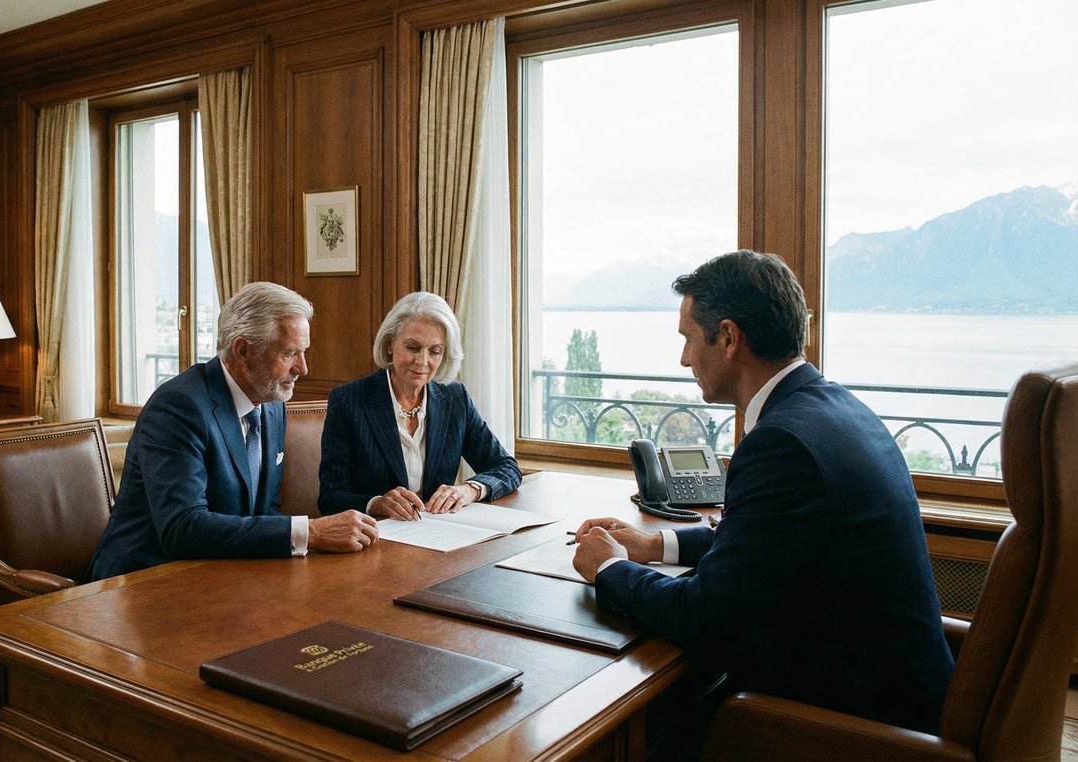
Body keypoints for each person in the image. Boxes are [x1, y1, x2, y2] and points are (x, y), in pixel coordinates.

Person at [572, 250, 952, 738]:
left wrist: (609, 568)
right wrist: (657, 545)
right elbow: (769, 540)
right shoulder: (834, 407)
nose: (684, 358)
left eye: (688, 339)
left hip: (858, 723)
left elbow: (704, 617)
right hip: (901, 692)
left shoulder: (782, 443)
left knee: (653, 721)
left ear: (728, 337)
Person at [88, 282, 378, 580]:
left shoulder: (271, 403)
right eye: (290, 353)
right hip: (143, 582)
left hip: (228, 573)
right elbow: (183, 528)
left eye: (303, 352)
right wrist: (311, 532)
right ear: (243, 350)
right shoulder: (179, 407)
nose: (302, 368)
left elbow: (266, 508)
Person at [318, 291, 521, 520]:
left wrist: (468, 490)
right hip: (377, 538)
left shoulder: (455, 399)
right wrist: (376, 503)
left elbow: (507, 468)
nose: (422, 362)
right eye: (413, 347)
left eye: (434, 351)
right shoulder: (349, 400)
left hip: (439, 535)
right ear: (389, 345)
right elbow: (330, 498)